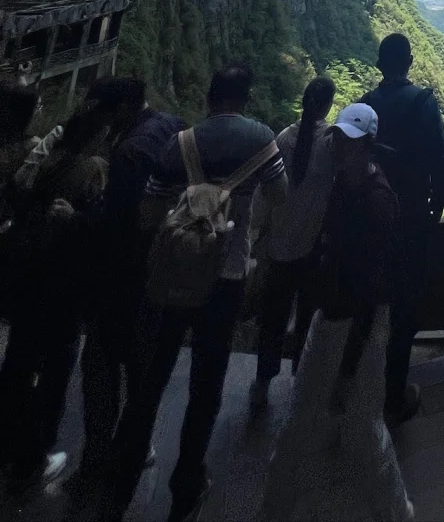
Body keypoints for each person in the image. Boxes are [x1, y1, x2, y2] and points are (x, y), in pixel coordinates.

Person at [99, 63, 287, 522]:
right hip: (226, 275)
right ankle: (186, 485)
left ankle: (121, 478)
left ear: (209, 97)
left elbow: (148, 212)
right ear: (244, 98)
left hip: (171, 275)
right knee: (207, 384)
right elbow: (280, 196)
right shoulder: (262, 139)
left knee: (150, 377)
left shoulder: (180, 142)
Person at [256, 103, 413, 522]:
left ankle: (395, 512)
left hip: (356, 326)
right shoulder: (348, 187)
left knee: (356, 430)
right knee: (320, 427)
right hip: (334, 319)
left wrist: (349, 364)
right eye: (340, 142)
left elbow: (372, 287)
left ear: (368, 147)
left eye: (351, 144)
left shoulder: (376, 203)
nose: (343, 150)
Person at [72, 77, 183, 490]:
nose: (97, 120)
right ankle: (139, 450)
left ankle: (97, 462)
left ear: (119, 110)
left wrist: (83, 214)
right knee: (142, 372)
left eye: (100, 110)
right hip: (163, 272)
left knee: (100, 370)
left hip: (123, 279)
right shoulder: (173, 125)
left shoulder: (130, 152)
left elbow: (121, 224)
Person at [0, 98, 111, 494]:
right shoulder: (91, 172)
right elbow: (98, 234)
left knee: (18, 360)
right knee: (56, 369)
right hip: (63, 286)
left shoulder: (40, 161)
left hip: (27, 278)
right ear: (97, 135)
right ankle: (34, 457)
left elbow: (14, 193)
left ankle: (10, 439)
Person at [361, 33, 444, 426]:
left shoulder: (364, 106)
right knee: (405, 305)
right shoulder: (425, 104)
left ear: (381, 64)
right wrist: (434, 213)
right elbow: (440, 168)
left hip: (373, 217)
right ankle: (394, 395)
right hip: (412, 218)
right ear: (410, 62)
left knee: (371, 301)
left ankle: (362, 388)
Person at [248, 75, 337, 411]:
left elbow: (264, 195)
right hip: (313, 250)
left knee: (273, 318)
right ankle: (302, 384)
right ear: (328, 105)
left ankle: (262, 382)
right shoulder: (329, 143)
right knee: (307, 321)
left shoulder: (283, 138)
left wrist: (257, 235)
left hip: (279, 247)